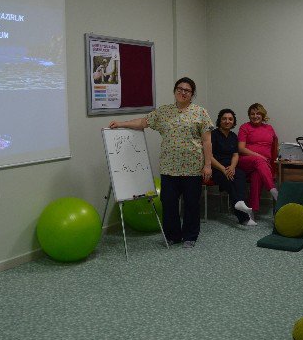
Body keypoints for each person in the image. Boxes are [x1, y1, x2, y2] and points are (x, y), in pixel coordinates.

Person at [109, 77, 213, 248]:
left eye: (187, 90)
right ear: (175, 91)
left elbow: (207, 141)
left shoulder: (200, 113)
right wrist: (121, 123)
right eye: (179, 89)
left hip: (192, 168)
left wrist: (207, 165)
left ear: (192, 94)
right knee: (169, 203)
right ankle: (172, 235)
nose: (183, 92)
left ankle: (190, 236)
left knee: (191, 204)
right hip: (169, 168)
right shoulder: (163, 112)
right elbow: (143, 122)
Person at [210, 109, 255, 227]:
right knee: (231, 181)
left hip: (230, 166)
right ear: (220, 120)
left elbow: (235, 155)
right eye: (224, 118)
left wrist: (232, 167)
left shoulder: (233, 136)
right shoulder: (213, 135)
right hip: (216, 168)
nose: (227, 121)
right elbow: (209, 157)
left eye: (230, 119)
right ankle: (243, 218)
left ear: (233, 121)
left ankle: (239, 202)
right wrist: (223, 169)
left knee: (240, 175)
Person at [237, 103, 279, 216]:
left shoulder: (269, 128)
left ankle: (252, 212)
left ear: (262, 115)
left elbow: (275, 147)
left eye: (258, 113)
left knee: (257, 175)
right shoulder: (244, 127)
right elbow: (241, 148)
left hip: (263, 165)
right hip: (246, 161)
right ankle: (273, 190)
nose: (255, 116)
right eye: (252, 114)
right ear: (249, 116)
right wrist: (258, 156)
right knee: (259, 161)